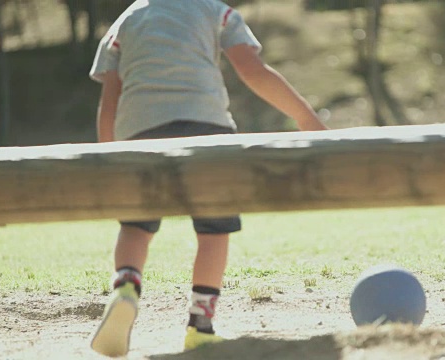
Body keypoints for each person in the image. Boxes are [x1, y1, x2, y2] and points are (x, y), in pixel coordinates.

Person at [88, 0, 328, 357]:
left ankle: (126, 285)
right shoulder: (215, 11)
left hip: (139, 136)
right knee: (214, 231)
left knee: (136, 227)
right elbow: (253, 71)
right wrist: (305, 118)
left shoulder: (124, 23)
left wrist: (108, 156)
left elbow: (110, 99)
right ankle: (200, 326)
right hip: (208, 130)